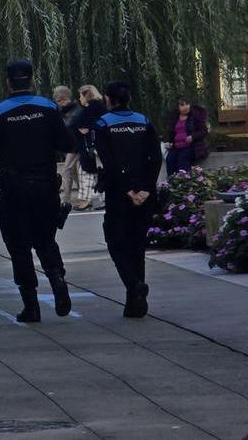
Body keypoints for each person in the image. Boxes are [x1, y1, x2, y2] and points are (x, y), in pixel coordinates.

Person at [0, 60, 73, 323]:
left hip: (15, 188)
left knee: (18, 245)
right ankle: (57, 277)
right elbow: (65, 143)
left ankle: (31, 305)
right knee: (45, 238)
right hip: (45, 185)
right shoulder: (49, 108)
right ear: (31, 80)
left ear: (8, 82)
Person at [95, 81, 163, 318]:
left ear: (108, 99)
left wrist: (128, 190)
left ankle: (133, 285)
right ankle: (135, 303)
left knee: (116, 242)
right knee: (137, 246)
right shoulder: (143, 121)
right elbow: (155, 158)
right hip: (145, 194)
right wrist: (145, 189)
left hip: (119, 194)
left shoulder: (103, 124)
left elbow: (109, 162)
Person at [73, 85, 108, 210]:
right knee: (97, 172)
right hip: (96, 146)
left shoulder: (91, 108)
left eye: (81, 96)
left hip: (91, 146)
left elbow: (80, 125)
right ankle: (100, 200)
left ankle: (87, 200)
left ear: (86, 96)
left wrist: (83, 129)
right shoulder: (100, 107)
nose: (79, 98)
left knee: (87, 173)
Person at [164, 96, 209, 176]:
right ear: (177, 107)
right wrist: (168, 141)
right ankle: (171, 183)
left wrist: (192, 137)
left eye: (187, 104)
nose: (185, 107)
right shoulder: (174, 117)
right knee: (170, 159)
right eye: (182, 105)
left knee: (183, 158)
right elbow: (169, 132)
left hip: (192, 146)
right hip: (176, 146)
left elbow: (204, 131)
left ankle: (184, 182)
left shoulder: (195, 116)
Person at [53, 86, 81, 207]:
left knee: (67, 170)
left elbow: (73, 128)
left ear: (67, 97)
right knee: (73, 172)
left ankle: (66, 199)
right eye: (57, 101)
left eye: (61, 100)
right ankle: (85, 193)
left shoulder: (77, 110)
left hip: (76, 145)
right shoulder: (60, 111)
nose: (59, 103)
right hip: (69, 145)